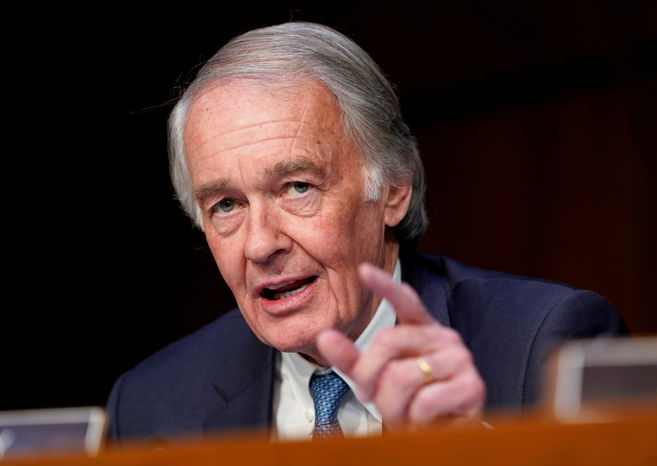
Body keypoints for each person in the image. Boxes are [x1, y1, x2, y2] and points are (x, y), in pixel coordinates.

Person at [107, 21, 628, 442]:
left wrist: (470, 457)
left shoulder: (547, 350)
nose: (261, 243)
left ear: (394, 189)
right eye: (226, 205)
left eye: (297, 188)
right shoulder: (153, 406)